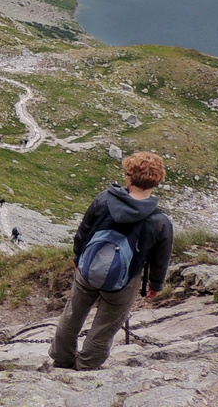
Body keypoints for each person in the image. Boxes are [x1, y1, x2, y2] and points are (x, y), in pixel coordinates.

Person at [50, 151, 172, 372]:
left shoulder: (104, 200)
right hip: (124, 282)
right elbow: (160, 258)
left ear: (129, 176)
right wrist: (155, 285)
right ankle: (86, 366)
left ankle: (61, 360)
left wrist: (78, 258)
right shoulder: (159, 221)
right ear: (157, 181)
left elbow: (83, 233)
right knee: (105, 327)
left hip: (88, 272)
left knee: (73, 315)